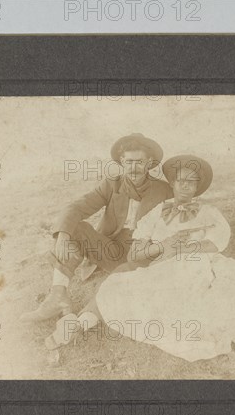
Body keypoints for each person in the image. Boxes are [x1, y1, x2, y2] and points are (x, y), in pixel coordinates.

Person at [45, 155, 235, 362]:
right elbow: (138, 251)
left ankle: (83, 322)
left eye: (191, 183)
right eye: (180, 181)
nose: (184, 186)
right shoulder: (158, 213)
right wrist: (162, 246)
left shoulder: (207, 211)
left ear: (196, 188)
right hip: (156, 261)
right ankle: (78, 322)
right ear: (174, 184)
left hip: (196, 265)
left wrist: (189, 247)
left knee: (188, 298)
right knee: (118, 284)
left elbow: (218, 242)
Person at [21, 133, 173, 323]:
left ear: (149, 162)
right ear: (122, 162)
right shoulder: (112, 184)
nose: (133, 168)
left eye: (139, 162)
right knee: (75, 228)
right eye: (129, 162)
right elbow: (77, 206)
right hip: (109, 250)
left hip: (142, 255)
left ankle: (85, 319)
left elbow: (176, 223)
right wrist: (63, 235)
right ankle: (57, 297)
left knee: (116, 286)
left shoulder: (164, 190)